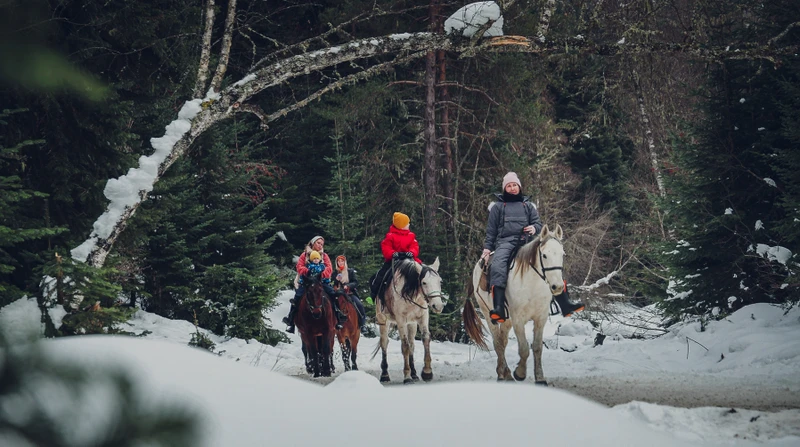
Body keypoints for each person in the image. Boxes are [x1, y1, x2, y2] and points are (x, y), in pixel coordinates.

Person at [481, 172, 584, 323]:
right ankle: (499, 308)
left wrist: (534, 229)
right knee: (497, 265)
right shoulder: (497, 207)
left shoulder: (528, 206)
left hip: (528, 242)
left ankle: (565, 304)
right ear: (504, 189)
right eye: (509, 186)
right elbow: (491, 230)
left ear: (519, 187)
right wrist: (487, 249)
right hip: (505, 242)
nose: (512, 188)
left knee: (552, 259)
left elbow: (537, 223)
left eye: (514, 185)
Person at [283, 236, 347, 333]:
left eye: (321, 244)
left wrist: (321, 274)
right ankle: (290, 321)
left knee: (333, 294)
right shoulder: (304, 255)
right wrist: (307, 271)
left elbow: (329, 268)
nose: (320, 245)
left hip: (321, 282)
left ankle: (338, 317)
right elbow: (299, 266)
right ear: (312, 243)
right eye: (318, 243)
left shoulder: (324, 256)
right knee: (298, 296)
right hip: (307, 282)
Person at [369, 212, 421, 303]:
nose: (409, 224)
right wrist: (393, 253)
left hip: (409, 259)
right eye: (407, 223)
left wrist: (411, 252)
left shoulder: (411, 236)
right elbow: (386, 247)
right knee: (381, 274)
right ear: (401, 225)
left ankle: (425, 294)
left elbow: (415, 246)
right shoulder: (390, 236)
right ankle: (374, 294)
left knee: (422, 271)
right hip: (394, 260)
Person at [333, 255, 366, 331]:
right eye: (339, 261)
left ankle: (363, 324)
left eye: (342, 261)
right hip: (338, 294)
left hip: (350, 293)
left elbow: (355, 282)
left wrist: (348, 286)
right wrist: (337, 280)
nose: (340, 263)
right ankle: (334, 324)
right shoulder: (335, 273)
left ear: (345, 262)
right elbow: (332, 283)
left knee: (359, 305)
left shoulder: (350, 271)